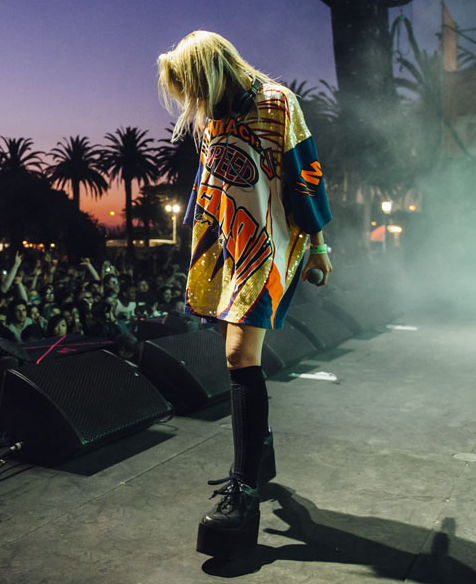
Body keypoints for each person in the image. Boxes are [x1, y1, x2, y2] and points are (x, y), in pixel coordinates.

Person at [158, 30, 332, 558]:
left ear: (212, 69)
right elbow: (213, 181)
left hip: (270, 245)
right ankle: (260, 448)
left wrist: (319, 244)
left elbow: (306, 170)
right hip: (227, 245)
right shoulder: (214, 114)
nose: (189, 97)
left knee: (239, 353)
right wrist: (198, 241)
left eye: (190, 84)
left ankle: (244, 490)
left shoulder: (277, 103)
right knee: (233, 352)